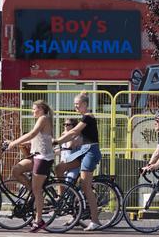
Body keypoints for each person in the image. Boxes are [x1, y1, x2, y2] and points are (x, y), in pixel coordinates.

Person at [54, 92, 102, 231]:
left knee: (85, 186)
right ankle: (61, 199)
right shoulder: (83, 117)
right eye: (74, 104)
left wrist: (56, 141)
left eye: (78, 104)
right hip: (83, 150)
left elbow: (74, 132)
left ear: (85, 104)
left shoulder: (88, 117)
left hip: (91, 152)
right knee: (59, 168)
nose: (75, 106)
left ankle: (95, 220)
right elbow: (73, 136)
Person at [6, 100, 54, 232]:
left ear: (42, 109)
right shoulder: (41, 119)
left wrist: (14, 143)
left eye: (35, 109)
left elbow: (32, 133)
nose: (33, 111)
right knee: (16, 170)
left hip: (43, 158)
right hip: (36, 156)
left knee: (38, 189)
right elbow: (35, 138)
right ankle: (33, 193)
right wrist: (15, 142)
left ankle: (39, 221)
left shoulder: (44, 118)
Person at [58, 118, 82, 183]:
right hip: (64, 164)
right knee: (61, 182)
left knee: (69, 183)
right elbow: (62, 150)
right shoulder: (64, 136)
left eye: (68, 124)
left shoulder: (77, 137)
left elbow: (69, 146)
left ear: (73, 126)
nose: (65, 126)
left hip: (73, 166)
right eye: (64, 124)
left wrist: (67, 134)